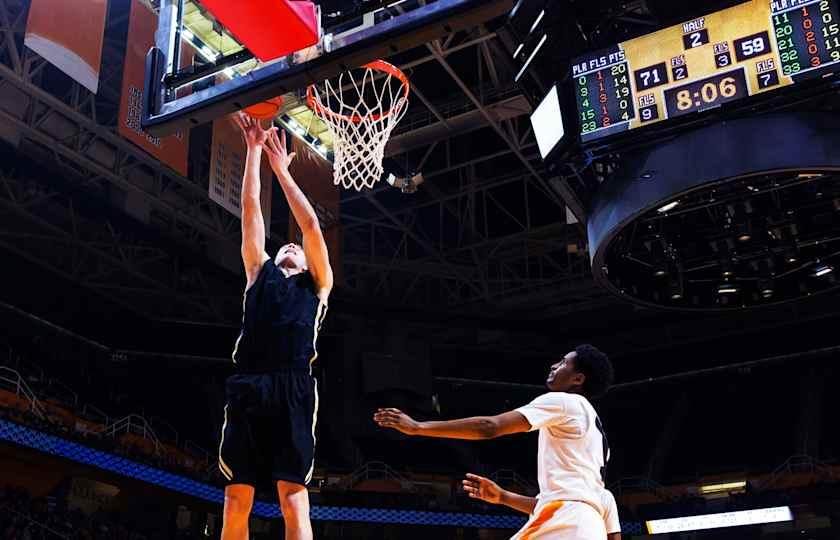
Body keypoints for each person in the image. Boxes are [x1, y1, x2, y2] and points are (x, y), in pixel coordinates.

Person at [219, 113, 333, 540]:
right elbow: (250, 210)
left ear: (304, 259)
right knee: (235, 500)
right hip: (249, 382)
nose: (289, 245)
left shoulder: (318, 284)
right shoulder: (257, 272)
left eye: (295, 248)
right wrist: (252, 153)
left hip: (293, 387)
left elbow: (311, 226)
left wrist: (281, 172)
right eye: (283, 245)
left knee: (292, 499)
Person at [374, 345, 620, 540]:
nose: (555, 365)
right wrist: (502, 497)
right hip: (582, 526)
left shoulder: (566, 402)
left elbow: (490, 427)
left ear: (578, 379)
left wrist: (418, 427)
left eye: (564, 362)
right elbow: (565, 501)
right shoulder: (596, 442)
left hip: (567, 523)